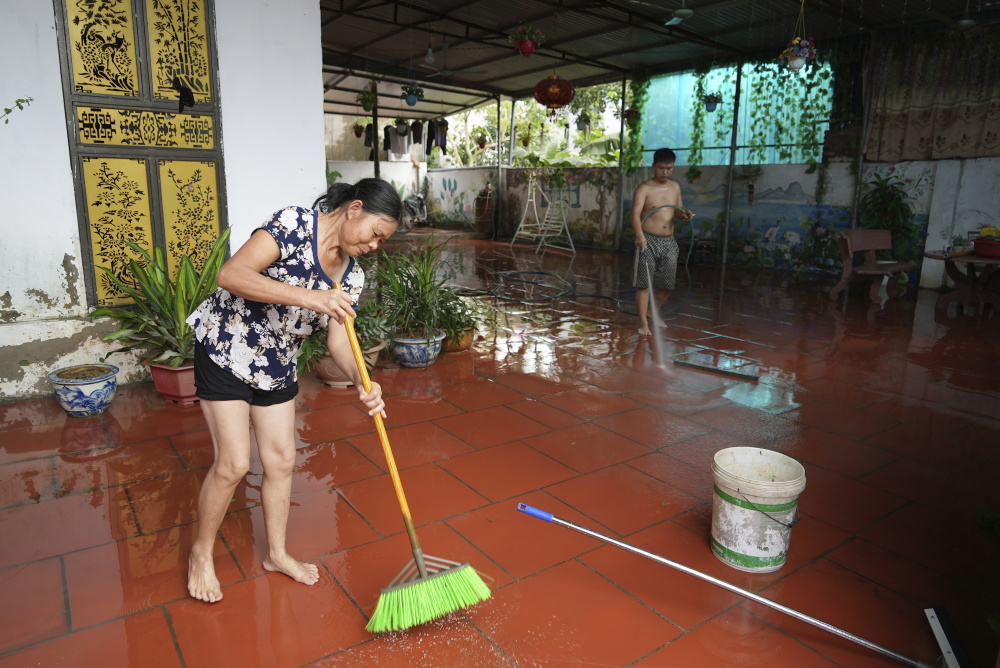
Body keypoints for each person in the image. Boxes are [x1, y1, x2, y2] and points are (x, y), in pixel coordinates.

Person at [185, 178, 402, 603]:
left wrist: (363, 381)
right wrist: (310, 298)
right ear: (354, 208)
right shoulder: (292, 224)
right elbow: (231, 275)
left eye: (383, 241)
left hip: (278, 361)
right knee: (232, 464)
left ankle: (278, 554)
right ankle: (200, 553)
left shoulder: (351, 276)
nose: (375, 245)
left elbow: (340, 340)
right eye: (375, 233)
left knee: (281, 461)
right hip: (228, 346)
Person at [630, 148, 693, 336]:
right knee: (644, 285)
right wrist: (639, 235)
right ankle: (643, 323)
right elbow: (634, 214)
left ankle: (652, 311)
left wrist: (686, 215)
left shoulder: (675, 187)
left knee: (667, 285)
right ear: (653, 166)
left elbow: (678, 210)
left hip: (669, 241)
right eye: (661, 168)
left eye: (669, 168)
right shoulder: (644, 188)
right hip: (647, 240)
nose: (665, 172)